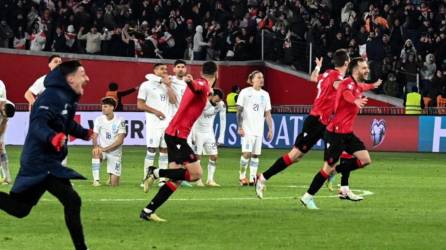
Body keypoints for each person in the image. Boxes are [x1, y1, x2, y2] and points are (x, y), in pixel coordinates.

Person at [0, 60, 92, 249]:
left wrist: (85, 133)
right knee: (72, 200)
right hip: (40, 162)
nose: (87, 78)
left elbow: (65, 123)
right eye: (83, 74)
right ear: (70, 78)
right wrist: (52, 137)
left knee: (20, 209)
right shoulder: (51, 96)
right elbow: (38, 124)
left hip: (46, 161)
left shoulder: (65, 97)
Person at [255, 50, 350, 199]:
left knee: (342, 148)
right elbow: (340, 87)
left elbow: (313, 79)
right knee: (295, 156)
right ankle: (263, 178)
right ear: (346, 62)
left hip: (325, 122)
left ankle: (340, 183)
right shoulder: (336, 77)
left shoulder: (327, 74)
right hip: (316, 121)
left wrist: (318, 67)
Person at [140, 61, 217, 222]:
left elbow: (196, 88)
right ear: (216, 74)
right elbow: (197, 86)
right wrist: (190, 82)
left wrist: (190, 83)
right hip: (177, 135)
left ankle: (148, 211)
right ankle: (155, 172)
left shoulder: (203, 87)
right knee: (196, 175)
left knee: (176, 179)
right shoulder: (203, 83)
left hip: (174, 134)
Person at [300, 57, 382, 210]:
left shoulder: (357, 85)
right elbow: (346, 94)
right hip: (335, 133)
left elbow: (362, 87)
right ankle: (307, 197)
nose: (367, 70)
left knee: (365, 160)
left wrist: (373, 85)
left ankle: (335, 172)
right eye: (364, 68)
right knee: (326, 169)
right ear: (356, 70)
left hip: (347, 133)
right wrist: (355, 101)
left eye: (367, 68)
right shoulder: (346, 84)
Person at [137, 63, 177, 186]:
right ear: (155, 70)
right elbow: (140, 105)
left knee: (164, 150)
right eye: (161, 69)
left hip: (166, 123)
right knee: (151, 150)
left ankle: (162, 179)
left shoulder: (167, 85)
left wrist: (169, 86)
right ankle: (146, 178)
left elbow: (173, 101)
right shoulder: (146, 85)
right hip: (153, 123)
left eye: (166, 69)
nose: (165, 71)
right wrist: (156, 111)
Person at [237, 70, 273, 186]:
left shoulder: (265, 94)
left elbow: (267, 113)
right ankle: (242, 177)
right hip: (247, 129)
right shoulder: (245, 92)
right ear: (252, 80)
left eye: (262, 77)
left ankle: (252, 178)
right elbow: (239, 111)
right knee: (246, 153)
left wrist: (271, 129)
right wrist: (240, 127)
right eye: (258, 77)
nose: (261, 79)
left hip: (259, 129)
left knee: (255, 155)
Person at [189, 88, 226, 187]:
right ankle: (198, 179)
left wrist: (221, 137)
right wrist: (192, 135)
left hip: (209, 133)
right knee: (197, 157)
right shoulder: (202, 103)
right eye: (216, 100)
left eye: (219, 100)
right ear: (211, 96)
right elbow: (193, 118)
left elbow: (223, 120)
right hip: (198, 132)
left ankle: (210, 180)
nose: (217, 102)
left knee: (214, 156)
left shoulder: (221, 105)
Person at [91, 97, 127, 187]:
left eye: (106, 106)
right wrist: (96, 147)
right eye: (102, 106)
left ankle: (111, 177)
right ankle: (96, 181)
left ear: (112, 108)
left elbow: (120, 140)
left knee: (114, 185)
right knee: (96, 152)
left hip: (115, 153)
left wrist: (105, 148)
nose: (103, 108)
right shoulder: (98, 119)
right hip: (102, 150)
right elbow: (94, 136)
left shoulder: (120, 120)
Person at [169, 59, 193, 187]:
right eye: (178, 67)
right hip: (175, 120)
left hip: (187, 121)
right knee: (175, 150)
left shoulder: (188, 82)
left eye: (183, 67)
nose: (180, 69)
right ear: (174, 69)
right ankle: (171, 177)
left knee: (184, 149)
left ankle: (180, 176)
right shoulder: (170, 80)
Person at [0, 99, 16, 185]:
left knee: (1, 149)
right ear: (2, 108)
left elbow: (3, 124)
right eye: (4, 115)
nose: (4, 117)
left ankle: (7, 177)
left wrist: (0, 140)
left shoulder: (10, 106)